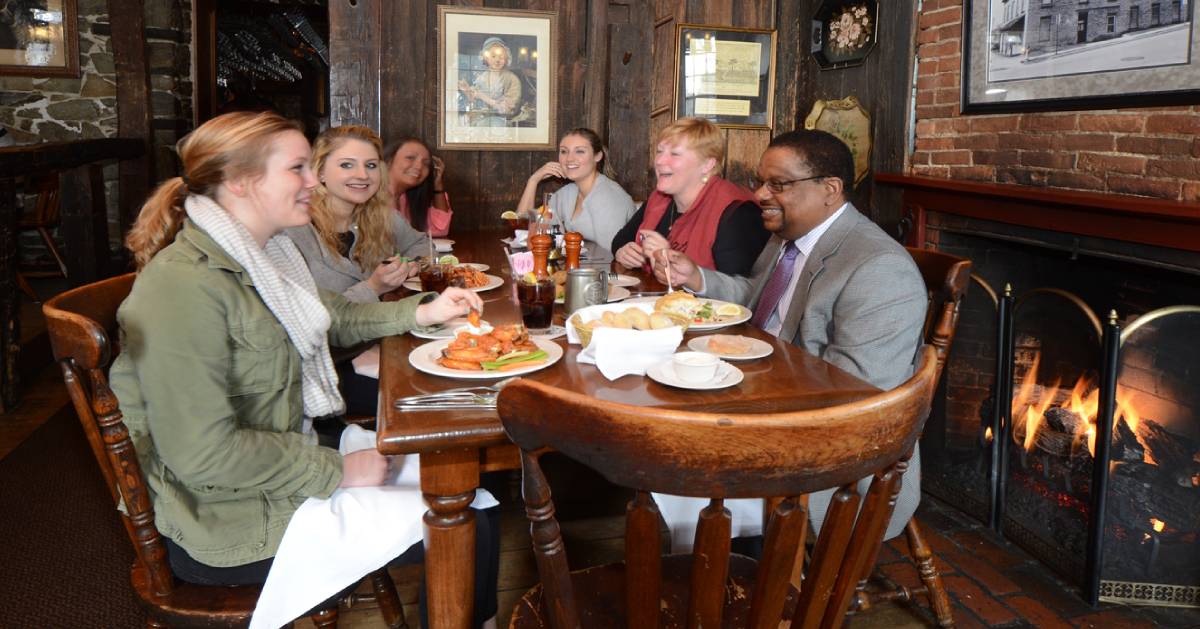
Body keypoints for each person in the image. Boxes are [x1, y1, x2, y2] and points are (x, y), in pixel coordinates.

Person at [110, 111, 499, 626]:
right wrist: (336, 470)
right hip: (231, 520)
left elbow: (333, 317)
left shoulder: (261, 255)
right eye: (297, 168)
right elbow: (201, 453)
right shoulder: (182, 288)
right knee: (471, 515)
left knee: (463, 483)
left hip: (274, 465)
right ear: (243, 182)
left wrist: (425, 311)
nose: (313, 180)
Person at [654, 129, 928, 542]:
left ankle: (723, 584)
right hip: (763, 404)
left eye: (778, 184)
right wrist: (697, 277)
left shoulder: (879, 269)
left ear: (830, 190)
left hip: (832, 463)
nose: (761, 194)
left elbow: (855, 395)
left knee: (676, 468)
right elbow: (754, 299)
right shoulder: (790, 235)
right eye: (760, 181)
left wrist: (743, 391)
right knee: (661, 435)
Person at [610, 117, 770, 278]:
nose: (659, 161)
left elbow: (738, 290)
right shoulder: (659, 198)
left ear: (707, 165)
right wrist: (623, 251)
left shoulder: (737, 212)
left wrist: (672, 260)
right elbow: (621, 240)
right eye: (659, 151)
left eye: (675, 154)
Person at [287, 125, 426, 304]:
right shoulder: (294, 231)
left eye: (371, 165)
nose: (362, 175)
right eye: (347, 165)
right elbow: (308, 317)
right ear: (320, 172)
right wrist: (374, 287)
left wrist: (411, 264)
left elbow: (422, 245)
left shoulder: (385, 217)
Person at [516, 128, 636, 251]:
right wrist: (534, 180)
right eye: (564, 151)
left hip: (608, 268)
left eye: (579, 151)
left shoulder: (609, 197)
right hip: (580, 267)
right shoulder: (568, 193)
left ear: (598, 156)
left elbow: (611, 252)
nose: (569, 159)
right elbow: (525, 226)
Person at [385, 136, 453, 237]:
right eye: (410, 158)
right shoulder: (368, 196)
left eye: (426, 163)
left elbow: (440, 230)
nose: (419, 166)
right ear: (388, 160)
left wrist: (437, 186)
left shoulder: (406, 198)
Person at [458, 36, 522, 127]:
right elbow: (475, 101)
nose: (497, 60)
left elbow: (506, 110)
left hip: (502, 124)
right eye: (493, 56)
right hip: (481, 121)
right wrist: (467, 91)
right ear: (486, 58)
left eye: (501, 56)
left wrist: (484, 97)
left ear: (506, 58)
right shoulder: (482, 77)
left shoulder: (512, 79)